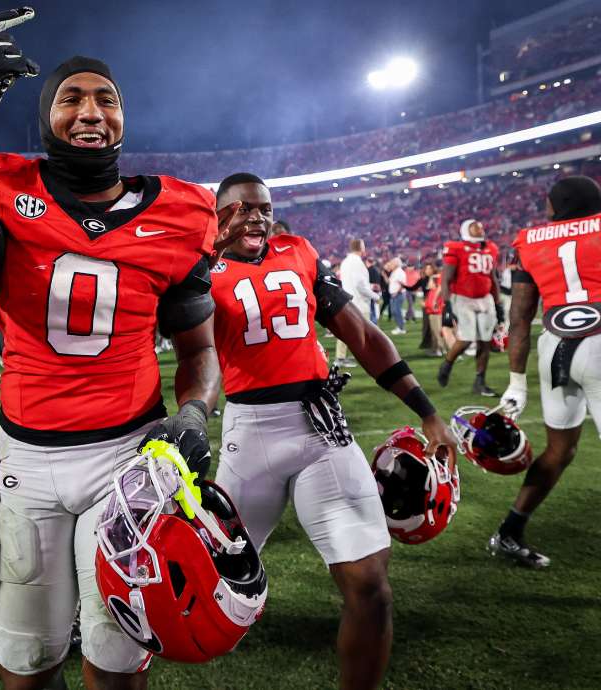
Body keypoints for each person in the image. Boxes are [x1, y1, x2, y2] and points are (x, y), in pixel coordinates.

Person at [0, 13, 221, 688]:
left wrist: (195, 412)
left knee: (117, 667)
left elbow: (200, 350)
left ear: (124, 116)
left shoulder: (181, 213)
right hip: (30, 460)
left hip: (130, 458)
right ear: (46, 115)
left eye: (105, 99)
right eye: (70, 98)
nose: (90, 112)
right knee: (27, 664)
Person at [208, 173, 458, 689]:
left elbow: (362, 335)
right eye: (241, 208)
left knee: (371, 588)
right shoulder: (198, 266)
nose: (256, 216)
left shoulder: (297, 251)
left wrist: (427, 411)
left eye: (264, 207)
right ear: (217, 215)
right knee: (210, 588)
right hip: (249, 432)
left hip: (322, 428)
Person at [495, 176, 601, 611]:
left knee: (558, 452)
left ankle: (509, 531)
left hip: (552, 345)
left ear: (555, 206)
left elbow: (520, 317)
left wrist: (517, 381)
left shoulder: (530, 240)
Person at [437, 219, 501, 397]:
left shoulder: (491, 248)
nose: (480, 229)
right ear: (466, 230)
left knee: (485, 340)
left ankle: (480, 381)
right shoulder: (456, 248)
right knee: (467, 338)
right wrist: (447, 303)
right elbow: (446, 278)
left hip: (485, 297)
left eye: (481, 227)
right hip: (462, 298)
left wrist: (498, 302)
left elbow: (493, 277)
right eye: (476, 227)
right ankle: (447, 363)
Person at [335, 239, 375, 367]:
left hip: (346, 301)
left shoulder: (345, 262)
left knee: (346, 331)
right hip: (359, 303)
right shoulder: (358, 263)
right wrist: (375, 295)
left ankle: (340, 358)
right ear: (361, 248)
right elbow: (361, 286)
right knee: (363, 332)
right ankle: (364, 358)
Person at [386, 257, 407, 335]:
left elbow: (403, 284)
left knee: (397, 311)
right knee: (394, 311)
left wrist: (397, 293)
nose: (391, 264)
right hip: (394, 294)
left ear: (396, 264)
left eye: (392, 263)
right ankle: (399, 326)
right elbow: (390, 282)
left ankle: (401, 328)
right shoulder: (394, 272)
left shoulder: (400, 272)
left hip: (398, 294)